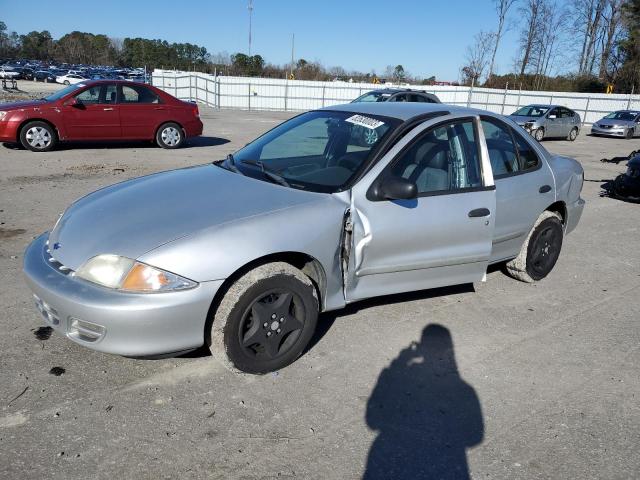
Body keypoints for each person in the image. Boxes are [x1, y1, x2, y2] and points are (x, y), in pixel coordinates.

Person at [364, 324, 483, 479]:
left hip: (388, 460)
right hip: (448, 466)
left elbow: (372, 421)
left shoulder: (407, 374)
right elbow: (474, 437)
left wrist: (399, 362)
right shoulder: (467, 390)